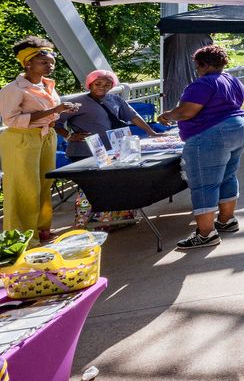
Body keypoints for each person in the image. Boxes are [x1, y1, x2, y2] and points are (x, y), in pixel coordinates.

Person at [157, 45, 244, 250]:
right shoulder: (232, 80)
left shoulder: (203, 83)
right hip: (240, 126)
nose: (196, 69)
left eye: (197, 65)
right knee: (228, 175)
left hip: (212, 134)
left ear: (203, 64)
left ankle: (205, 234)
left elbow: (187, 112)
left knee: (204, 183)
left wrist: (167, 115)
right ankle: (227, 220)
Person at [0, 37, 79, 239]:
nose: (50, 66)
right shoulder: (13, 89)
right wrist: (55, 110)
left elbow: (49, 112)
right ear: (27, 63)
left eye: (52, 62)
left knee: (44, 185)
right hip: (21, 140)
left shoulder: (47, 85)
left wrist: (61, 112)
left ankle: (42, 229)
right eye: (44, 62)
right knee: (23, 188)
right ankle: (21, 237)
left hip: (46, 136)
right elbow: (12, 120)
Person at [58, 69, 160, 160]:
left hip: (110, 149)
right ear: (90, 84)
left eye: (107, 85)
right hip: (83, 151)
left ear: (111, 86)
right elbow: (55, 122)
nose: (102, 87)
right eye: (98, 84)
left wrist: (151, 132)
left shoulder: (115, 99)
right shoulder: (76, 103)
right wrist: (69, 136)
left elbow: (133, 116)